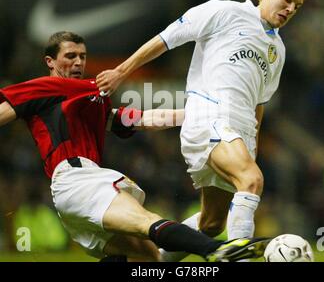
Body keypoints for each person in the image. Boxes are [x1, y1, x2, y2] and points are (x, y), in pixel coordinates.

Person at [96, 0, 310, 261]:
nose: (290, 8)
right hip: (210, 118)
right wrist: (121, 71)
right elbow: (167, 38)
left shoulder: (278, 49)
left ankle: (150, 260)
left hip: (240, 132)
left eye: (296, 6)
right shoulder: (223, 11)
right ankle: (241, 259)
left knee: (211, 224)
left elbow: (260, 103)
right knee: (252, 180)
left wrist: (253, 147)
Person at [0, 31, 269, 262]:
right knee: (145, 222)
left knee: (150, 257)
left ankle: (212, 245)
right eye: (70, 56)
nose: (78, 61)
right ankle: (216, 251)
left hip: (77, 189)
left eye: (82, 56)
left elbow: (144, 119)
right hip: (75, 180)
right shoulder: (48, 87)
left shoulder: (92, 100)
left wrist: (200, 112)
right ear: (50, 61)